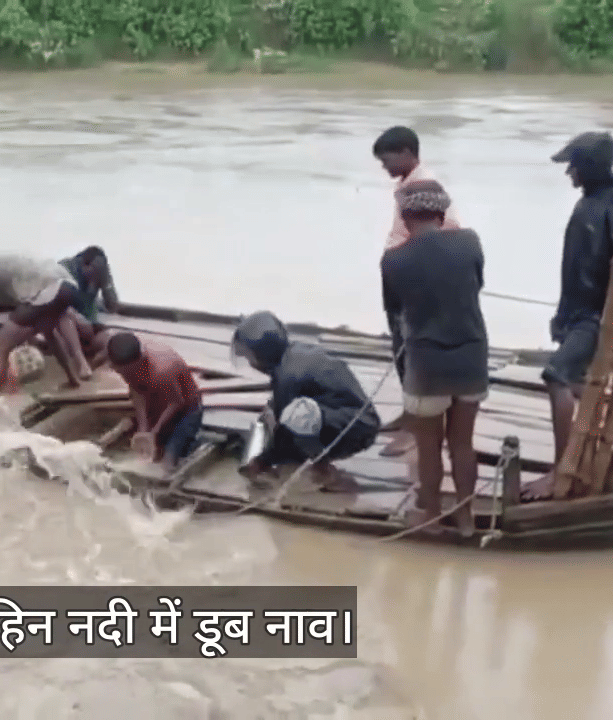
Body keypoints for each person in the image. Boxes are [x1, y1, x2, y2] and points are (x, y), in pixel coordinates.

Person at [521, 131, 613, 502]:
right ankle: (581, 452)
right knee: (576, 381)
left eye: (574, 166)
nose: (570, 174)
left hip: (598, 315)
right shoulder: (589, 201)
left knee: (556, 376)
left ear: (591, 167)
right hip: (576, 312)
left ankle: (561, 468)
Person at [381, 180, 488, 535]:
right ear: (442, 215)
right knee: (463, 444)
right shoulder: (470, 242)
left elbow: (395, 314)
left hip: (427, 364)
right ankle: (465, 516)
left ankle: (431, 513)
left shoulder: (393, 260)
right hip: (471, 355)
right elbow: (476, 285)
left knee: (429, 447)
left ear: (404, 217)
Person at [372, 125, 464, 458]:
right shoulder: (406, 186)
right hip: (400, 278)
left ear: (408, 153)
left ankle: (419, 427)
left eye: (387, 159)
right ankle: (409, 414)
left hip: (415, 282)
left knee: (415, 353)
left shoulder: (425, 187)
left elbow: (447, 230)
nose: (384, 166)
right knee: (401, 347)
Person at [232, 311, 381, 492]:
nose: (250, 362)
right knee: (283, 413)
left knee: (298, 415)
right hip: (351, 419)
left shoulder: (289, 375)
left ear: (262, 352)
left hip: (356, 428)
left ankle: (325, 471)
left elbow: (283, 430)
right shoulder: (292, 356)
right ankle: (316, 457)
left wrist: (262, 460)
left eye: (249, 356)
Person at [0, 240, 93, 396]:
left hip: (47, 290)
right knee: (49, 331)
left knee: (0, 345)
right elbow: (13, 300)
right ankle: (73, 379)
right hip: (67, 284)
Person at [107, 332, 204, 474]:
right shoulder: (125, 360)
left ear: (139, 362)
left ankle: (192, 444)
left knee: (167, 464)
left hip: (187, 409)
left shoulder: (162, 370)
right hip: (158, 401)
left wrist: (154, 432)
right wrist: (143, 427)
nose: (119, 373)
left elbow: (176, 402)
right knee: (141, 448)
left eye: (125, 371)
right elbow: (136, 391)